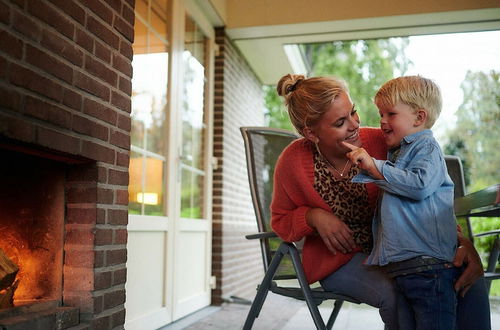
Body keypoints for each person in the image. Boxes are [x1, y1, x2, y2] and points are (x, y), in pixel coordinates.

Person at [271, 73, 491, 330]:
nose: (354, 125)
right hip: (339, 261)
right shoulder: (293, 161)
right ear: (311, 132)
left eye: (353, 112)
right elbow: (280, 221)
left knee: (467, 279)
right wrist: (313, 216)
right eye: (341, 121)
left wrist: (463, 244)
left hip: (398, 252)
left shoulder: (383, 141)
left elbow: (426, 192)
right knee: (397, 293)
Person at [343, 76, 459, 329]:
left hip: (430, 269)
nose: (382, 121)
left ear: (419, 118)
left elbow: (419, 186)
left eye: (391, 113)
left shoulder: (427, 148)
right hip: (407, 268)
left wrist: (375, 167)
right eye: (380, 113)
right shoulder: (400, 152)